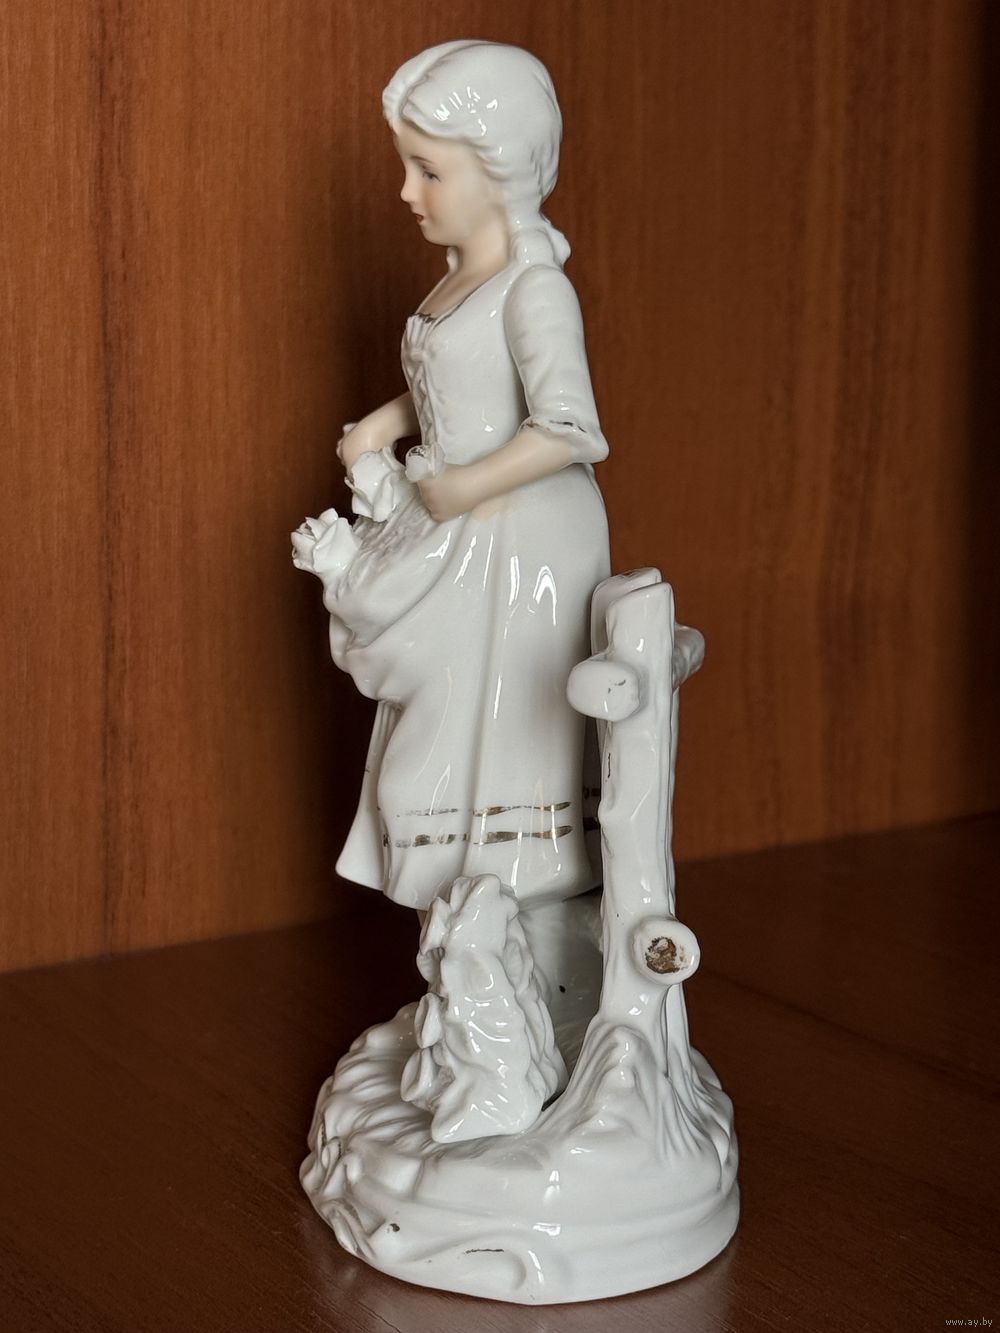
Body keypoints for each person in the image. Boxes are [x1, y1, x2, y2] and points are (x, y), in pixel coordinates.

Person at [327, 41, 611, 911]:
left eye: (428, 171)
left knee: (486, 718)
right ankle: (455, 912)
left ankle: (502, 897)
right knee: (439, 718)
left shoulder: (535, 288)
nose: (405, 192)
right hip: (458, 517)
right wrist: (387, 422)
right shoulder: (463, 278)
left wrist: (462, 488)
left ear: (498, 172)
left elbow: (570, 429)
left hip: (517, 539)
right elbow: (461, 380)